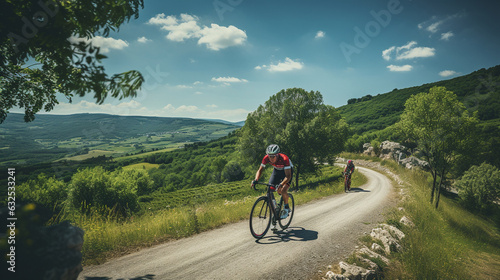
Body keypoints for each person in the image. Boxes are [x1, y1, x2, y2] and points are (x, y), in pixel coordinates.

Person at [251, 144, 293, 219]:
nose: (271, 158)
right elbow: (260, 170)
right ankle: (275, 212)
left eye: (273, 156)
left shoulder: (284, 159)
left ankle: (286, 208)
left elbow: (288, 176)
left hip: (286, 172)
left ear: (277, 155)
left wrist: (281, 184)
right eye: (270, 156)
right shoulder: (266, 158)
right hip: (276, 171)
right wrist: (256, 179)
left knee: (283, 190)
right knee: (270, 190)